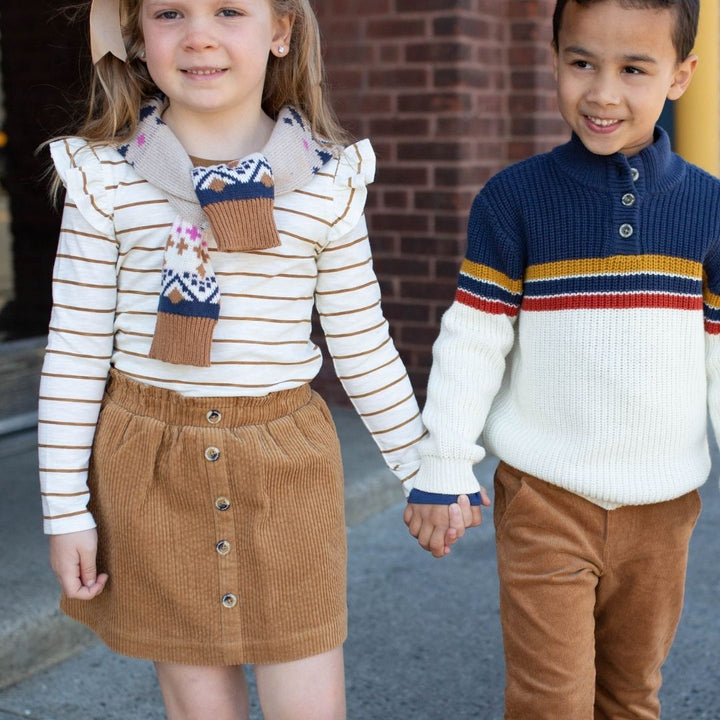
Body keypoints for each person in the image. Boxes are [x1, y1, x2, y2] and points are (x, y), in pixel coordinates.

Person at [38, 1, 429, 718]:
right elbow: (74, 352)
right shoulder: (105, 179)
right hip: (150, 468)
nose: (199, 34)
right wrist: (66, 509)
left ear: (281, 32)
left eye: (228, 10)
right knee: (198, 707)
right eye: (169, 12)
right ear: (138, 36)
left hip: (285, 469)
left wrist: (423, 470)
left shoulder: (326, 184)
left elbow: (363, 342)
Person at [404, 0, 720, 716]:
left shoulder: (709, 209)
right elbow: (474, 338)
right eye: (582, 63)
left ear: (680, 76)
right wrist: (444, 461)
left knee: (632, 694)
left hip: (664, 508)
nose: (603, 92)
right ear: (554, 61)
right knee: (552, 701)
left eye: (634, 69)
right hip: (545, 498)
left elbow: (718, 354)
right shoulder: (512, 201)